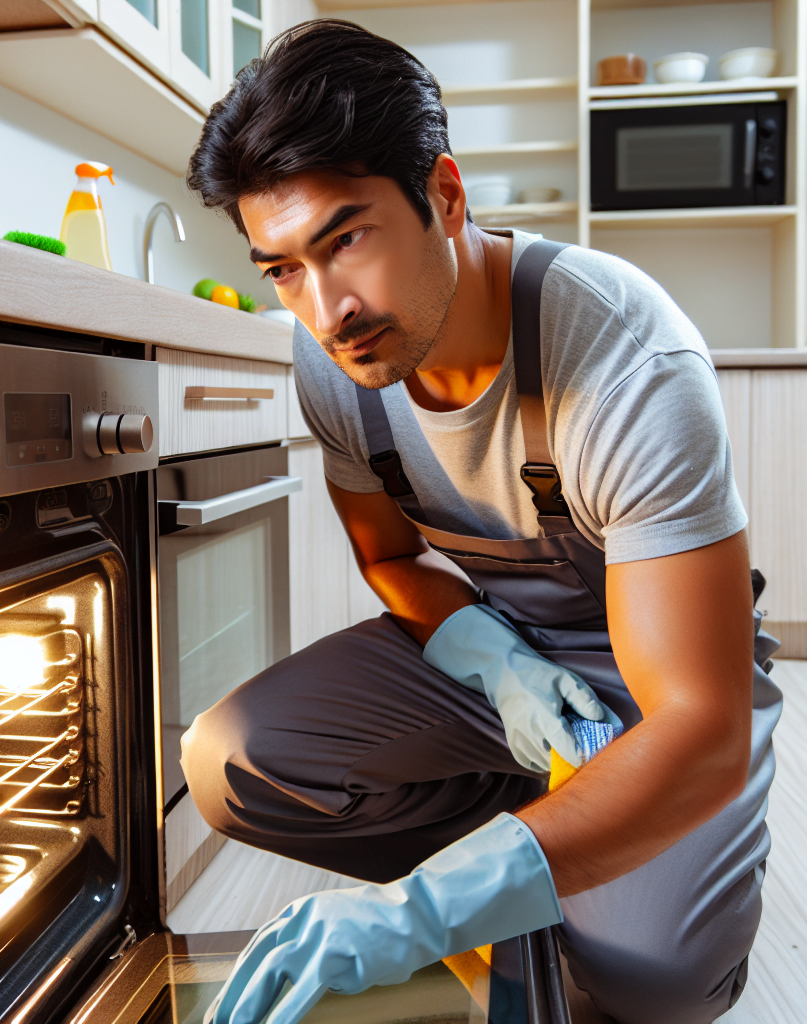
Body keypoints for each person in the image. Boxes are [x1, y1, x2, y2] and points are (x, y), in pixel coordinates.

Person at [181, 19, 781, 1024]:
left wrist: (420, 911)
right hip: (501, 664)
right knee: (232, 760)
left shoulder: (623, 360)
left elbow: (701, 726)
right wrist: (490, 659)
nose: (326, 310)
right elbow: (388, 555)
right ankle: (530, 844)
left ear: (446, 195)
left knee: (652, 984)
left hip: (665, 677)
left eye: (346, 239)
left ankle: (540, 865)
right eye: (282, 269)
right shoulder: (335, 365)